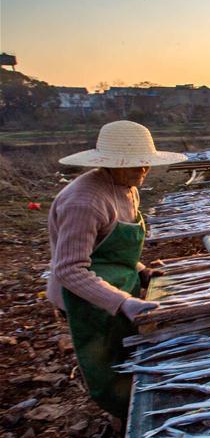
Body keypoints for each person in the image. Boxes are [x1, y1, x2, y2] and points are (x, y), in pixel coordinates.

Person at [47, 120, 186, 418]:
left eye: (145, 163)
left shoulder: (128, 187)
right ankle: (125, 416)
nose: (143, 170)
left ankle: (136, 403)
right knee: (107, 361)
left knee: (127, 348)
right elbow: (69, 270)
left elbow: (110, 245)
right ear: (109, 163)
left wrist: (140, 269)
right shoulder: (84, 202)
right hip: (84, 297)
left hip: (119, 284)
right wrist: (122, 302)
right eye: (134, 164)